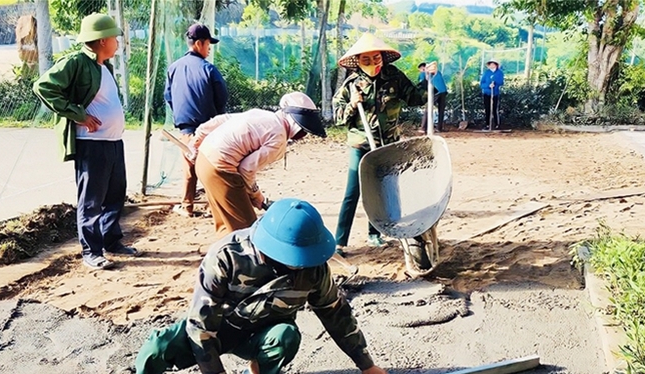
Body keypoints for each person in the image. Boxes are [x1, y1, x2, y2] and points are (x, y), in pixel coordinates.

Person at [100, 198, 399, 374]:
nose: (301, 266)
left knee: (286, 337)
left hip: (263, 330)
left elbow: (337, 313)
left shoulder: (314, 268)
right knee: (159, 348)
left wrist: (366, 364)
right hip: (219, 327)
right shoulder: (226, 257)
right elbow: (200, 330)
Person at [33, 13, 139, 270]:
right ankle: (91, 251)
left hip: (113, 142)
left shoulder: (104, 67)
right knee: (91, 200)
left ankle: (111, 241)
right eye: (114, 37)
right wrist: (79, 114)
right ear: (102, 40)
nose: (117, 42)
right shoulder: (76, 62)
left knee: (115, 195)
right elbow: (43, 86)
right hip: (92, 144)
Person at [332, 33, 436, 256]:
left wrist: (430, 79)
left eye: (376, 58)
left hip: (388, 145)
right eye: (366, 60)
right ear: (358, 61)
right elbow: (338, 117)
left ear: (382, 57)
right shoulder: (351, 84)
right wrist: (352, 104)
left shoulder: (395, 78)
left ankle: (375, 234)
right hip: (361, 146)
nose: (372, 64)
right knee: (353, 192)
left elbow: (416, 98)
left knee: (384, 189)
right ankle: (339, 242)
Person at [185, 92, 326, 237]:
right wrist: (257, 196)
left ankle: (224, 256)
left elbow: (220, 120)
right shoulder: (279, 138)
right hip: (220, 169)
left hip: (204, 160)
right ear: (296, 125)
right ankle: (240, 258)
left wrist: (195, 143)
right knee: (247, 230)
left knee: (227, 224)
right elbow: (246, 169)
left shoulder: (262, 114)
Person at [164, 24, 228, 218]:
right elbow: (222, 96)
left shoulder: (173, 68)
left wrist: (182, 117)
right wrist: (218, 117)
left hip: (186, 128)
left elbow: (168, 96)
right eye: (208, 44)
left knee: (189, 166)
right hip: (208, 126)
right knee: (210, 165)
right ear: (199, 43)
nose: (209, 49)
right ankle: (212, 206)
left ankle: (187, 205)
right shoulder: (209, 69)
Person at [417, 62, 448, 133]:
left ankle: (423, 128)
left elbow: (422, 84)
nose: (421, 71)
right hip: (443, 91)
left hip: (436, 91)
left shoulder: (424, 73)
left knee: (428, 109)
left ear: (423, 68)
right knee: (441, 110)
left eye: (421, 69)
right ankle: (439, 128)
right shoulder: (437, 72)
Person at [480, 59, 504, 131]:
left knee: (494, 109)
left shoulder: (499, 73)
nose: (491, 66)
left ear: (496, 65)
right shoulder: (486, 73)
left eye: (493, 64)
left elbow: (501, 82)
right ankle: (487, 124)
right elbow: (481, 83)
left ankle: (496, 124)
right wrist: (488, 85)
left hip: (495, 93)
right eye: (490, 64)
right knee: (487, 109)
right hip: (487, 93)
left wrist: (495, 84)